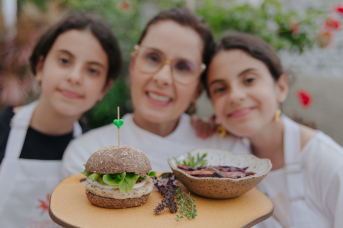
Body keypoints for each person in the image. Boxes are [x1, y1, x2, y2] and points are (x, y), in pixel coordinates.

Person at [61, 7, 250, 178]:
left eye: (183, 67)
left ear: (198, 89)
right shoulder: (86, 154)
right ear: (133, 65)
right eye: (153, 57)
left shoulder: (229, 152)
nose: (163, 78)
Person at [203, 32, 343, 228]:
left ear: (281, 87)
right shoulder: (222, 155)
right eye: (220, 89)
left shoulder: (330, 163)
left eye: (249, 80)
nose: (235, 96)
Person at [0, 12, 122, 227]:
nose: (74, 77)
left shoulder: (93, 151)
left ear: (105, 87)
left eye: (92, 70)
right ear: (40, 67)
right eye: (64, 60)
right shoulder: (3, 130)